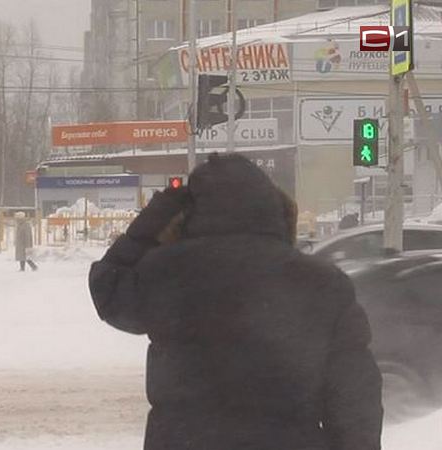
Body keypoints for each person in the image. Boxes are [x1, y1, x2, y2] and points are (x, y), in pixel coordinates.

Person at [89, 153, 383, 450]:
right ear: (272, 208)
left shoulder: (168, 273)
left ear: (190, 212)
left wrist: (148, 225)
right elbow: (355, 396)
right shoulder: (322, 283)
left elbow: (109, 290)